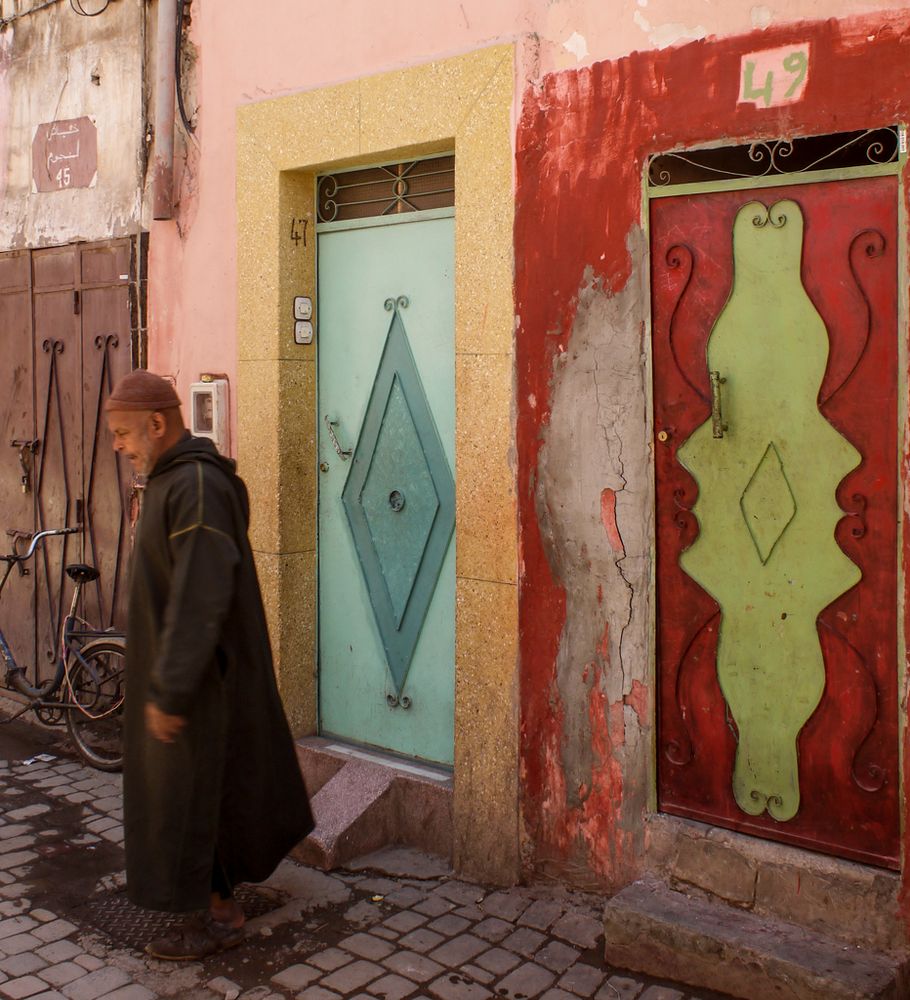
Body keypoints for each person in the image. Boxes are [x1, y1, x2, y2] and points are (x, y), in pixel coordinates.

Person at [105, 369, 313, 960]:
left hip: (201, 684)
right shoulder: (178, 483)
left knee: (194, 798)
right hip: (187, 679)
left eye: (124, 434)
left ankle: (215, 919)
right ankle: (222, 908)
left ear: (157, 423)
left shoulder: (194, 486)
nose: (120, 447)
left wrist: (171, 690)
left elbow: (200, 593)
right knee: (202, 795)